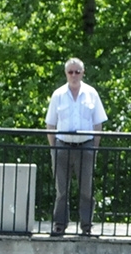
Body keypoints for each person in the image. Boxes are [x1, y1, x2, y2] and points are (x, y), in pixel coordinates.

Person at [45, 58, 105, 236]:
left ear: (83, 73)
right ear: (66, 73)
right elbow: (50, 124)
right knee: (61, 189)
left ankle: (86, 226)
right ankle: (60, 225)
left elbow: (98, 124)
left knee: (86, 189)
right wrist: (53, 148)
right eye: (70, 72)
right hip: (62, 145)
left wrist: (94, 147)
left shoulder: (91, 93)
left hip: (85, 145)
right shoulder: (58, 95)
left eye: (77, 72)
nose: (73, 75)